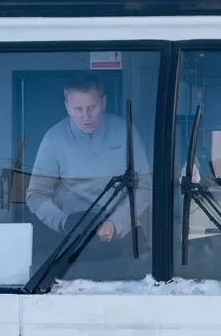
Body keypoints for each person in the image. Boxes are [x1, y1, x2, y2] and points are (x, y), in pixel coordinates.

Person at [26, 79, 153, 249]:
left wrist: (115, 223)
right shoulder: (54, 140)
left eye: (92, 107)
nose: (86, 117)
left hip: (123, 237)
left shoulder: (125, 132)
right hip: (72, 242)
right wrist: (64, 222)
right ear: (67, 107)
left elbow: (144, 186)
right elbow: (36, 195)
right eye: (78, 109)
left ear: (104, 102)